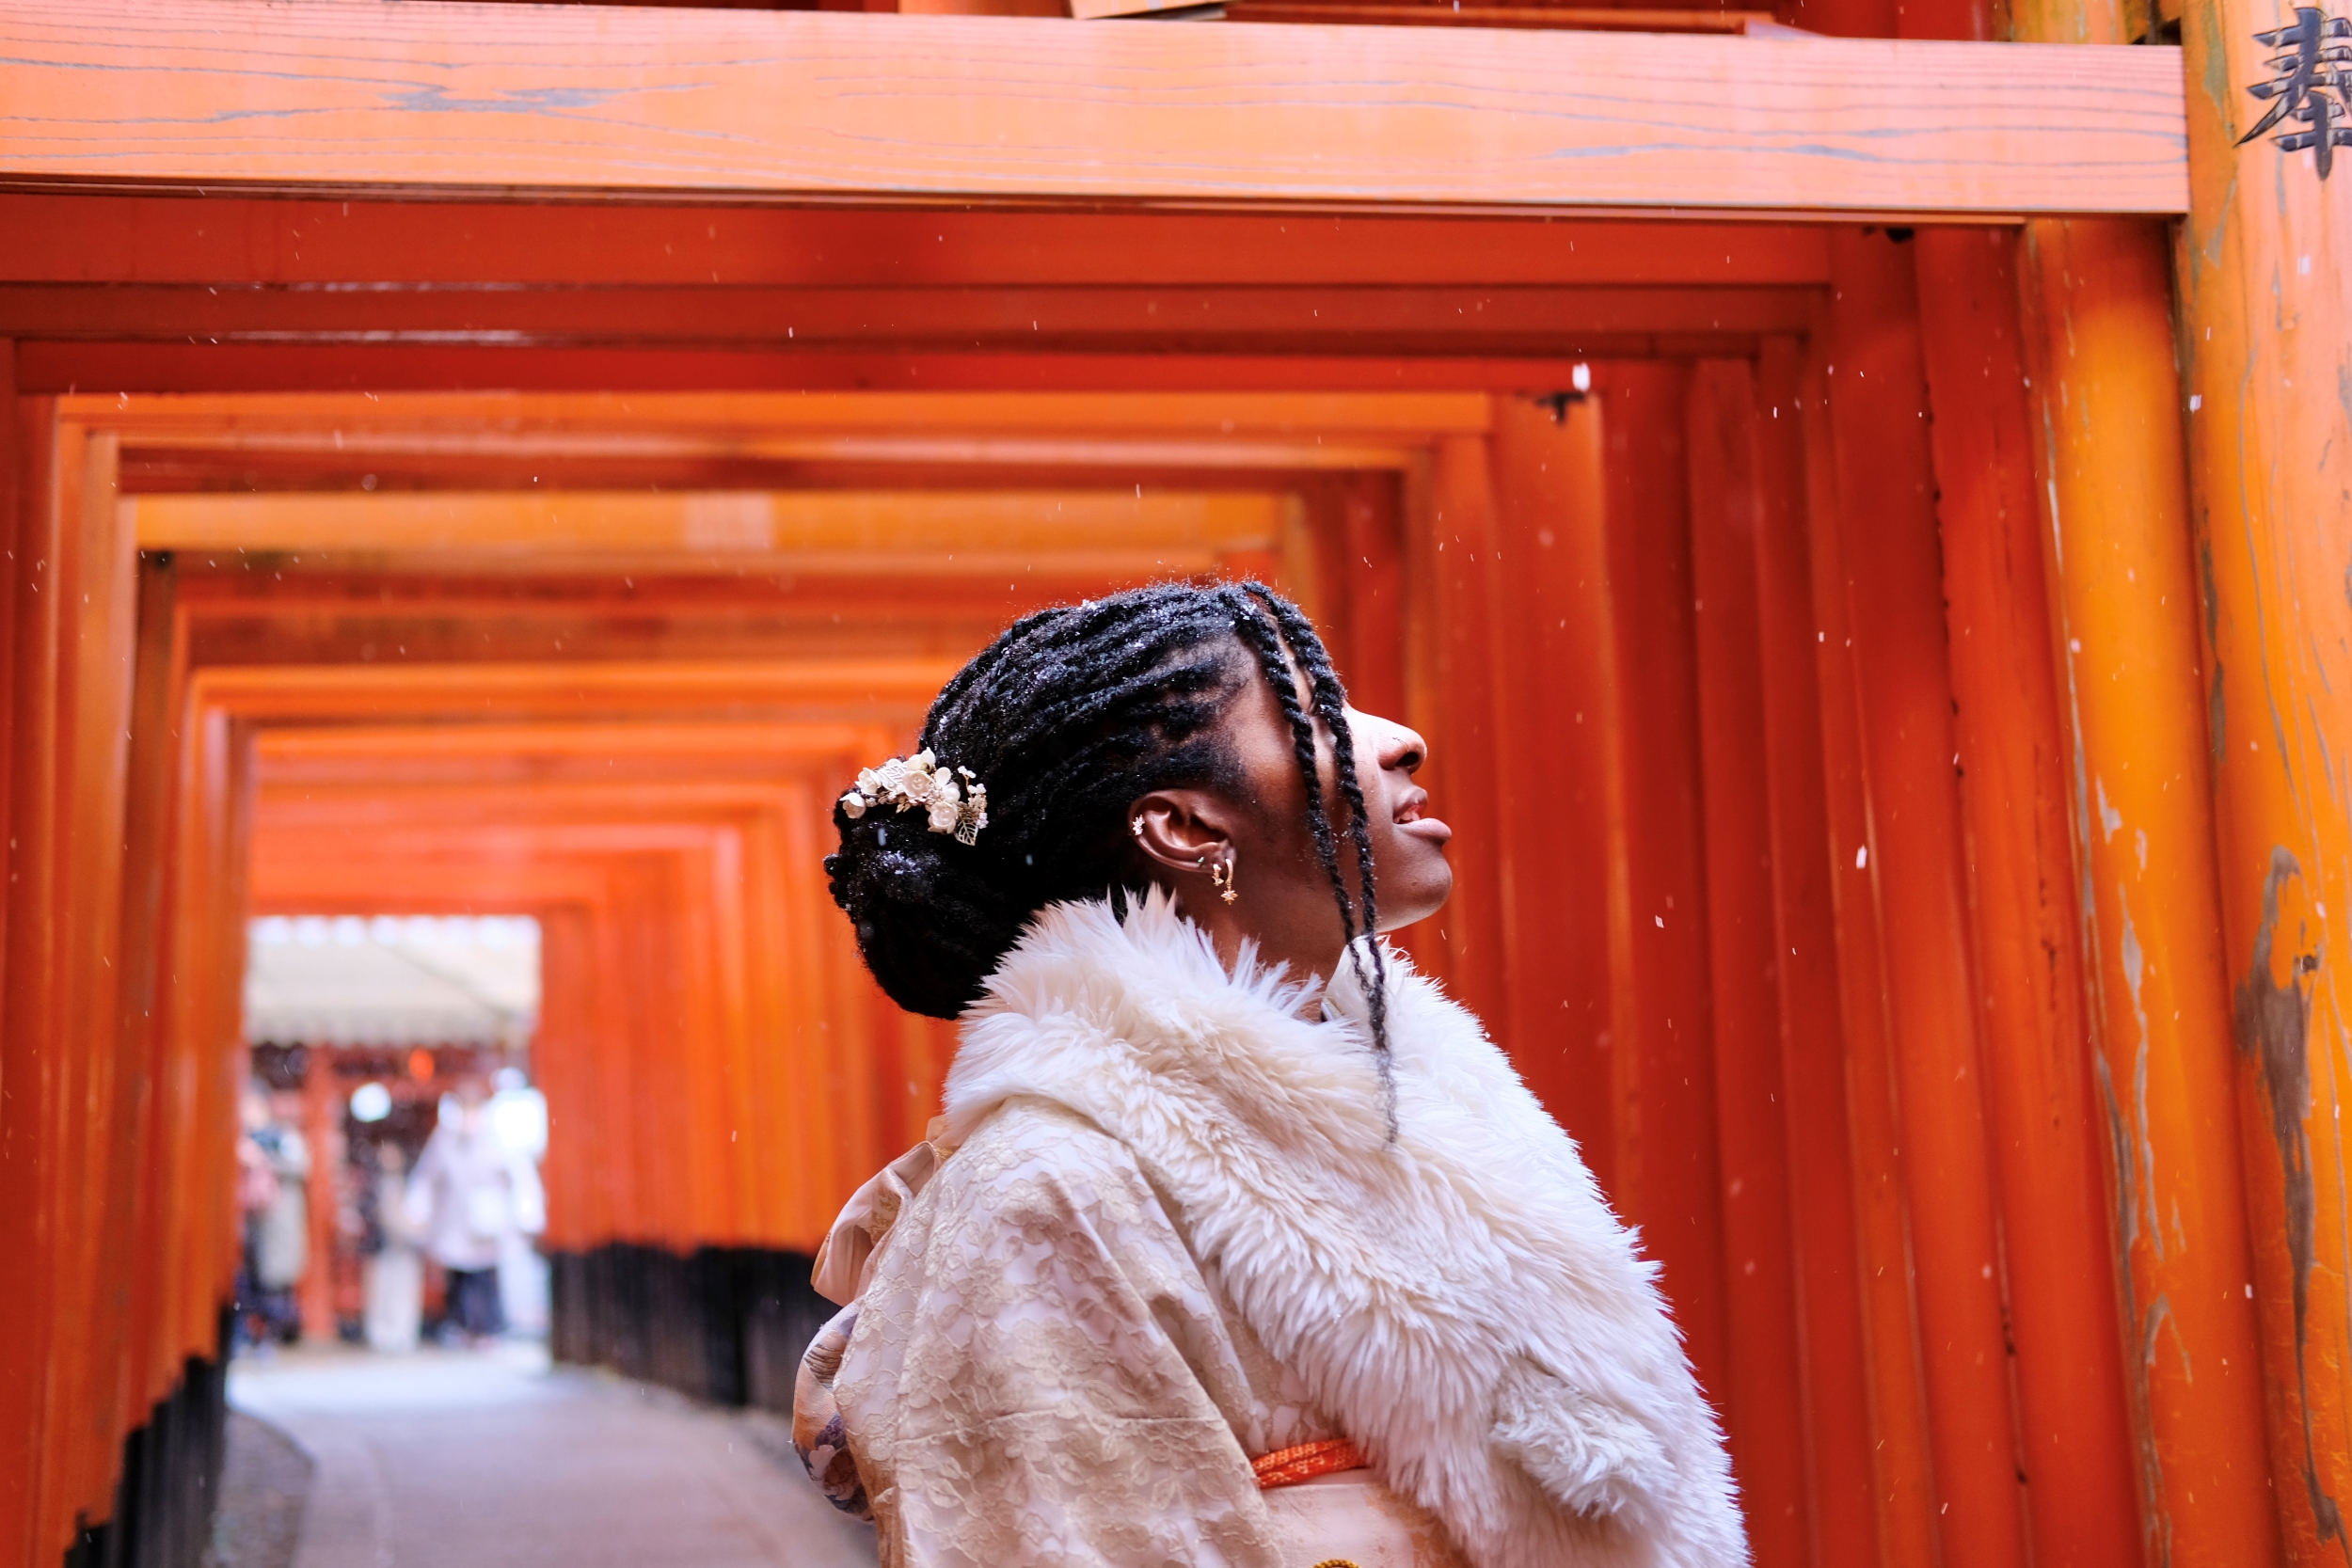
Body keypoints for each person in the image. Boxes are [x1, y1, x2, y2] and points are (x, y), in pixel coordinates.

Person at [793, 583, 1747, 1567]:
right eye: (1318, 711)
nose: (1403, 740)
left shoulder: (1440, 1098)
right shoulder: (1047, 1190)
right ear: (1188, 828)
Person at [407, 1075, 544, 1346]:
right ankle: (460, 1327)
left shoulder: (499, 1140)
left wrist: (527, 1214)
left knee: (486, 1279)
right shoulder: (444, 1140)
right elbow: (426, 1178)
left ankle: (489, 1329)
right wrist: (417, 1211)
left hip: (487, 1226)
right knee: (458, 1279)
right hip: (453, 1224)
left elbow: (521, 1179)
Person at [360, 1141, 424, 1354]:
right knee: (380, 1292)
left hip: (405, 1247)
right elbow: (366, 1213)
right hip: (381, 1247)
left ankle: (403, 1332)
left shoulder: (411, 1184)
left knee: (404, 1291)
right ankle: (380, 1333)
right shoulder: (372, 1186)